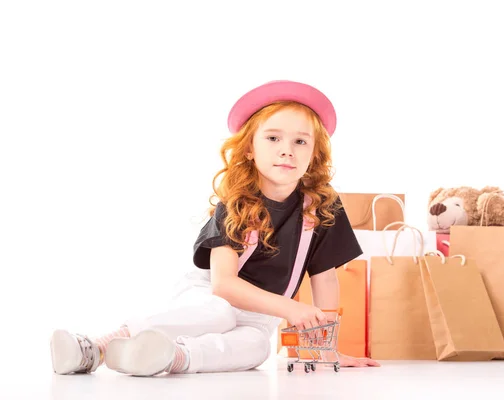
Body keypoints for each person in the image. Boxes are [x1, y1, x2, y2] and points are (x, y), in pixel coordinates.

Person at [50, 80, 380, 376]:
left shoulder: (321, 206)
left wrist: (326, 349)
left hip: (260, 314)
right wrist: (291, 308)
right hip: (210, 295)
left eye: (300, 141)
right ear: (250, 148)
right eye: (273, 138)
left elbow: (325, 278)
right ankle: (97, 346)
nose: (286, 150)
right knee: (220, 316)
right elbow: (224, 286)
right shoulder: (236, 202)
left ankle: (169, 357)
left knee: (257, 346)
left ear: (315, 153)